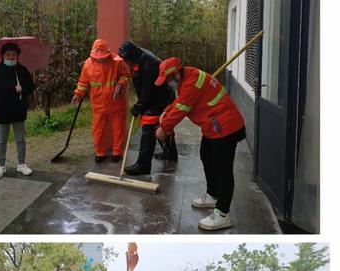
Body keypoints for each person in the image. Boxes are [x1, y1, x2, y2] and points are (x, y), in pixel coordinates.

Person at [154, 57, 246, 231]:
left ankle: (222, 213)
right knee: (206, 155)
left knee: (223, 169)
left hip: (226, 127)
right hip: (214, 126)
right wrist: (166, 111)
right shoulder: (188, 75)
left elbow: (181, 109)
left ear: (176, 74)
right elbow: (180, 101)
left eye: (168, 80)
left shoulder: (191, 83)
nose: (167, 83)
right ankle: (213, 195)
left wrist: (164, 129)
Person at [117, 41, 178, 175]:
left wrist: (138, 107)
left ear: (132, 57)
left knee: (149, 128)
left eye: (126, 60)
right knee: (161, 125)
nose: (125, 63)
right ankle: (170, 154)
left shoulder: (149, 67)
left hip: (162, 97)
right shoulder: (138, 58)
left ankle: (143, 165)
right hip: (157, 94)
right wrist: (140, 105)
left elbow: (147, 93)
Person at [72, 39, 130, 163]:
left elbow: (126, 75)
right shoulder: (88, 64)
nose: (100, 59)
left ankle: (117, 152)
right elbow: (83, 82)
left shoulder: (117, 62)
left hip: (116, 104)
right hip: (98, 104)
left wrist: (121, 84)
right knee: (98, 130)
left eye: (103, 57)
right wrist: (78, 94)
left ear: (107, 53)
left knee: (118, 128)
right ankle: (100, 152)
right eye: (98, 57)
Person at [0, 42, 36, 179]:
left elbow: (31, 87)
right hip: (1, 111)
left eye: (14, 55)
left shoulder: (22, 70)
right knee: (1, 140)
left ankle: (22, 164)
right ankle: (1, 166)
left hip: (18, 110)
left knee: (20, 139)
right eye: (8, 54)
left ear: (18, 56)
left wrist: (22, 88)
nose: (11, 57)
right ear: (2, 56)